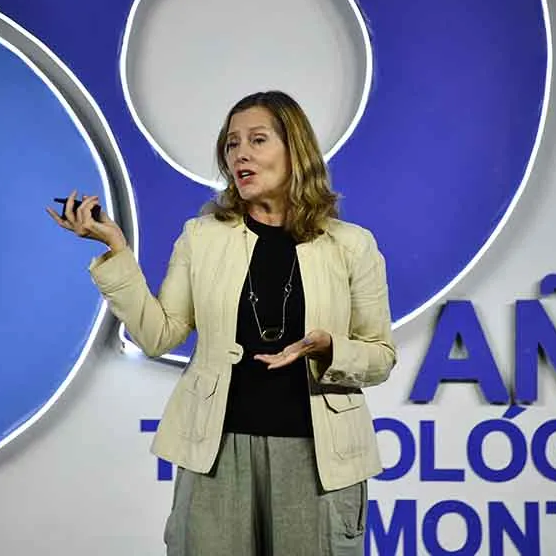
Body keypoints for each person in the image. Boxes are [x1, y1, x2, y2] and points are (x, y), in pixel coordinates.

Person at [47, 90, 396, 555]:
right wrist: (117, 252)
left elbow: (380, 356)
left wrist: (330, 346)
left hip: (318, 458)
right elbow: (157, 335)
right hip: (215, 453)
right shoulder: (202, 237)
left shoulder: (352, 245)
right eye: (232, 144)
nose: (241, 154)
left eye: (257, 140)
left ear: (295, 150)